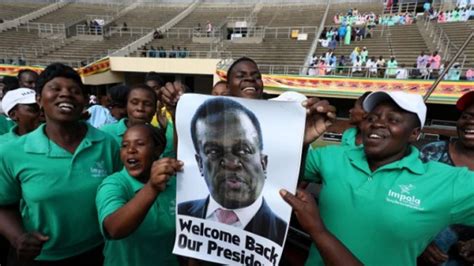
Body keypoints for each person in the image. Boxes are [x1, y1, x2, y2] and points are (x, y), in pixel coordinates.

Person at [303, 90, 474, 265]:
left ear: (414, 133)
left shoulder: (447, 181)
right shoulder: (332, 157)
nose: (377, 124)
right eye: (371, 118)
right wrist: (299, 138)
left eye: (393, 120)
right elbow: (277, 171)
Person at [0, 63, 121, 265]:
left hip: (101, 252)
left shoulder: (107, 144)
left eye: (75, 91)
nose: (66, 94)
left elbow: (120, 192)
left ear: (84, 101)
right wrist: (18, 238)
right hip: (43, 257)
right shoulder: (13, 152)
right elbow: (3, 205)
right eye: (55, 89)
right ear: (39, 99)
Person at [178, 97, 288, 246]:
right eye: (214, 151)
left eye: (243, 150)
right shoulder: (180, 216)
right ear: (200, 164)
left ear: (264, 163)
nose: (231, 163)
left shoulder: (284, 233)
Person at [96, 124, 183, 266]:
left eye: (140, 144)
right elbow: (114, 229)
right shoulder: (113, 184)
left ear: (158, 149)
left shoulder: (175, 184)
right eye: (124, 145)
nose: (130, 150)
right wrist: (152, 188)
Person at [418, 91, 474, 265]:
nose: (470, 121)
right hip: (422, 252)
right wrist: (420, 239)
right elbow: (407, 199)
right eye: (466, 116)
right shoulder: (432, 152)